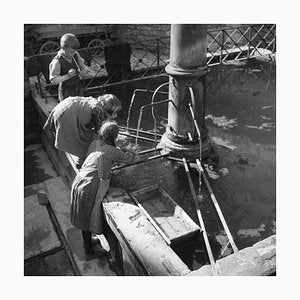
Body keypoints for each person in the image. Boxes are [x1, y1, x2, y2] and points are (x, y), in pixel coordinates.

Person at [70, 121, 136, 257]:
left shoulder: (96, 143)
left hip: (80, 180)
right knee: (86, 218)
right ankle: (89, 251)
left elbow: (110, 154)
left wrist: (120, 150)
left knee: (83, 217)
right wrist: (132, 151)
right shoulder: (111, 151)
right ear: (115, 136)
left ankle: (88, 242)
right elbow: (129, 160)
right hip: (88, 186)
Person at [43, 94, 121, 168]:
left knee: (88, 136)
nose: (116, 114)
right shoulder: (98, 111)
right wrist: (114, 147)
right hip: (68, 116)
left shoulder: (95, 102)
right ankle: (81, 163)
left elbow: (90, 123)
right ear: (109, 110)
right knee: (83, 142)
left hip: (64, 107)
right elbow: (99, 132)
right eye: (115, 112)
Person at [49, 33, 90, 101]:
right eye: (71, 52)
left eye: (74, 52)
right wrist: (67, 76)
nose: (73, 54)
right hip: (66, 91)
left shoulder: (76, 55)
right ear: (63, 48)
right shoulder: (57, 61)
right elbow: (54, 80)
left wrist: (84, 71)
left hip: (78, 87)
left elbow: (83, 66)